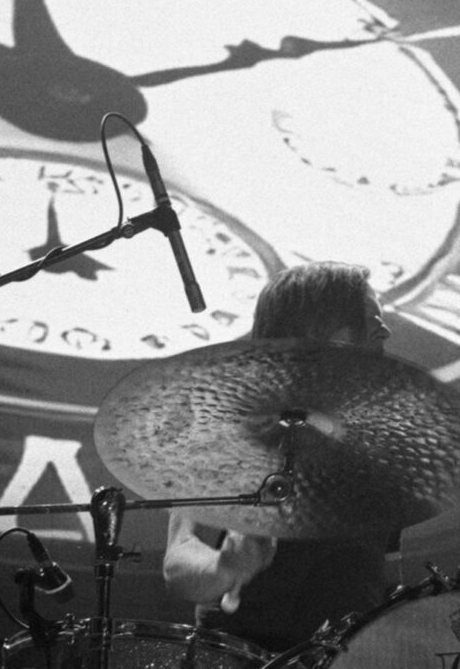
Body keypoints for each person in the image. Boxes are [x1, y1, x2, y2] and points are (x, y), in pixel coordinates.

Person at [162, 261, 394, 652]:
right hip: (242, 656)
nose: (385, 331)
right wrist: (225, 567)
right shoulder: (229, 426)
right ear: (316, 332)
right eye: (369, 322)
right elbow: (178, 563)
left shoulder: (389, 441)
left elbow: (383, 572)